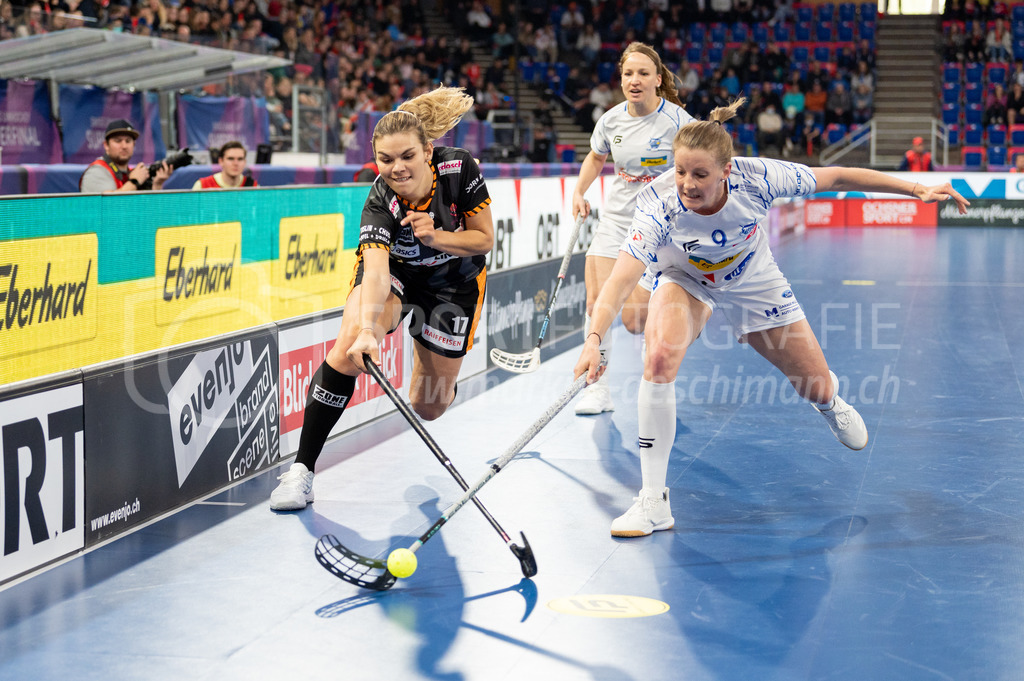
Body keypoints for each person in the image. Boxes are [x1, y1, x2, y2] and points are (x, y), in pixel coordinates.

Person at [573, 98, 969, 537]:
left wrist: (915, 190)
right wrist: (594, 337)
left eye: (699, 174)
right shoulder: (658, 204)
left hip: (750, 279)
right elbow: (622, 277)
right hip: (685, 276)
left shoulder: (758, 177)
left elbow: (836, 175)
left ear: (726, 170)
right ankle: (653, 501)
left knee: (814, 383)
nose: (686, 183)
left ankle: (830, 403)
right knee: (660, 354)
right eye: (681, 171)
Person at [270, 86, 494, 511]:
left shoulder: (460, 170)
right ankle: (301, 471)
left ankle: (433, 358)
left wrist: (436, 236)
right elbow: (374, 273)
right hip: (397, 275)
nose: (398, 168)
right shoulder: (379, 202)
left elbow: (484, 239)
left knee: (429, 407)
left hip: (454, 284)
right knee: (350, 346)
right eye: (386, 160)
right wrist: (370, 330)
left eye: (408, 156)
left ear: (428, 151)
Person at [570, 42, 695, 415]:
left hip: (663, 227)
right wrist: (579, 191)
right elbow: (596, 157)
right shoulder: (610, 121)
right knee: (597, 304)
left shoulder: (678, 122)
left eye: (643, 73)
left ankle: (653, 354)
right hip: (617, 221)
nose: (634, 80)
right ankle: (597, 387)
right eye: (628, 74)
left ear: (658, 79)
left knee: (635, 320)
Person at [79, 119, 172, 192]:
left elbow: (146, 210)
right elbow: (109, 206)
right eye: (118, 141)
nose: (124, 146)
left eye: (128, 141)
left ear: (134, 145)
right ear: (106, 145)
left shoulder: (131, 173)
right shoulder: (97, 172)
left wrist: (157, 184)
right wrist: (134, 182)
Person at [192, 141, 258, 189]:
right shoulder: (202, 186)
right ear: (221, 161)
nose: (235, 163)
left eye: (240, 159)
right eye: (230, 159)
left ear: (245, 162)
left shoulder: (253, 187)